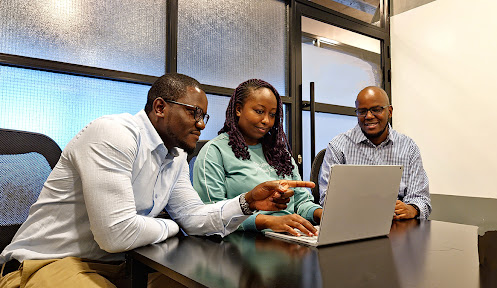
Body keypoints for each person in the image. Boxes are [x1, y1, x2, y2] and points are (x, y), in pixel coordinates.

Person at [0, 73, 314, 288]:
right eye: (194, 113)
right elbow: (117, 235)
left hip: (124, 266)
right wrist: (173, 226)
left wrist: (246, 203)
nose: (202, 124)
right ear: (160, 107)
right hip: (47, 263)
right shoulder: (113, 134)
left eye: (204, 116)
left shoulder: (175, 155)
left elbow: (194, 215)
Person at [193, 79, 322, 237]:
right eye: (259, 111)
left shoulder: (280, 152)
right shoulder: (215, 151)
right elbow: (211, 213)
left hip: (290, 238)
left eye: (272, 114)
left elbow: (301, 202)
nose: (266, 120)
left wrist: (321, 214)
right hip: (242, 243)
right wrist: (266, 221)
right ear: (238, 109)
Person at [318, 86, 431, 219]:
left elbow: (421, 199)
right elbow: (327, 200)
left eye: (376, 110)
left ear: (389, 111)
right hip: (352, 223)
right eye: (362, 111)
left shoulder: (408, 147)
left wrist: (412, 209)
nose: (369, 116)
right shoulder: (338, 146)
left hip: (398, 227)